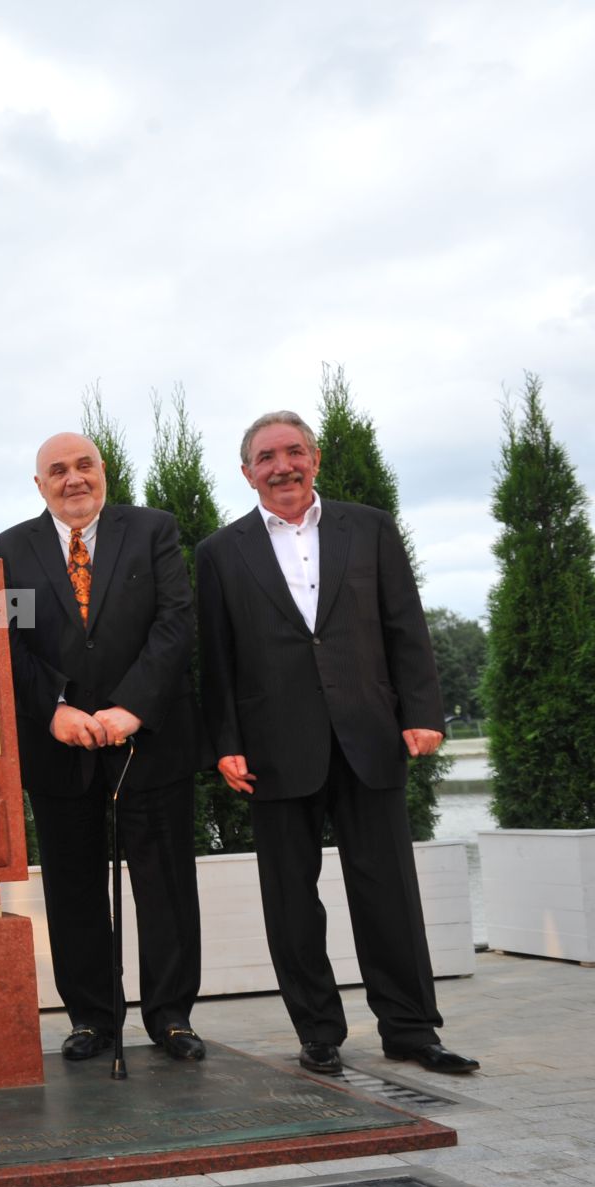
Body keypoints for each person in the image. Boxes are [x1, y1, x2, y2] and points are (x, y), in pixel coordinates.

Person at [198, 410, 478, 1076]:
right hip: (273, 748)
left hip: (369, 735)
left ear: (315, 458)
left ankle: (411, 1027)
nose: (282, 465)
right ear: (247, 473)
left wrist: (423, 710)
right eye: (267, 456)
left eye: (294, 451)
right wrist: (225, 741)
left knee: (388, 891)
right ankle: (318, 1030)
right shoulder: (220, 552)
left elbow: (404, 623)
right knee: (291, 899)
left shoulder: (371, 527)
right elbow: (218, 657)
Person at [0, 433, 206, 1064]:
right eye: (57, 471)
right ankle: (93, 1019)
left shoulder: (152, 531)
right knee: (73, 888)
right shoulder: (6, 552)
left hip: (151, 739)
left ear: (103, 471)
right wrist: (54, 709)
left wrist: (131, 707)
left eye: (84, 465)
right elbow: (11, 646)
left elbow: (175, 622)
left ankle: (171, 1018)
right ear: (39, 486)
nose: (73, 479)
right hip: (59, 746)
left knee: (165, 885)